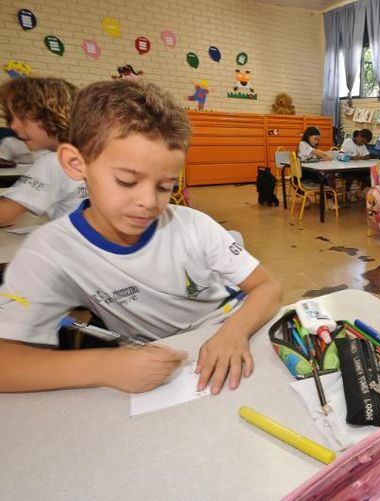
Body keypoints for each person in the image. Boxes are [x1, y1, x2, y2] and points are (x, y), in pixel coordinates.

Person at [0, 80, 283, 395]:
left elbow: (268, 287)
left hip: (236, 330)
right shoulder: (50, 251)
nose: (149, 202)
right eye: (126, 180)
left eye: (165, 186)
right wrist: (105, 365)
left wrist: (234, 331)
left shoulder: (194, 226)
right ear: (75, 163)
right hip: (164, 363)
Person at [0, 77, 87, 226]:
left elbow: (3, 215)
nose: (13, 126)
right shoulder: (88, 154)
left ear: (50, 116)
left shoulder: (55, 161)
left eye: (21, 118)